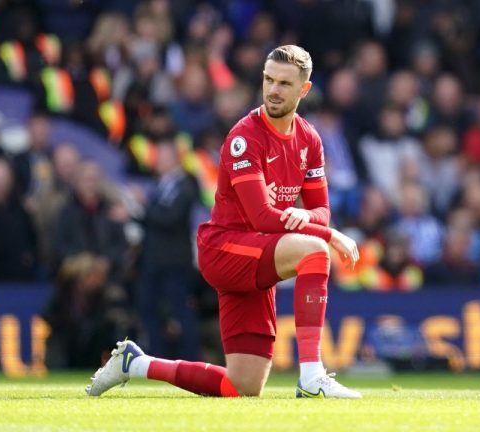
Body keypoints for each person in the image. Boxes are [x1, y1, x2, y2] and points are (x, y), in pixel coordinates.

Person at [86, 45, 361, 399]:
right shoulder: (244, 137)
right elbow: (262, 216)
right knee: (315, 252)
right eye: (268, 80)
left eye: (284, 83)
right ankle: (312, 377)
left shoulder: (309, 138)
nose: (274, 90)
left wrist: (308, 216)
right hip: (225, 249)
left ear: (304, 90)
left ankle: (135, 364)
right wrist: (328, 233)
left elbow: (321, 209)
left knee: (243, 385)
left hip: (258, 256)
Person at [133, 139, 201, 360]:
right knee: (149, 309)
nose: (157, 161)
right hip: (154, 261)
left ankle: (190, 359)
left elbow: (169, 218)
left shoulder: (186, 186)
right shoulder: (161, 186)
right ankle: (157, 358)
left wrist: (142, 206)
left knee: (181, 312)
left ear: (174, 159)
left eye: (161, 156)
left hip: (174, 262)